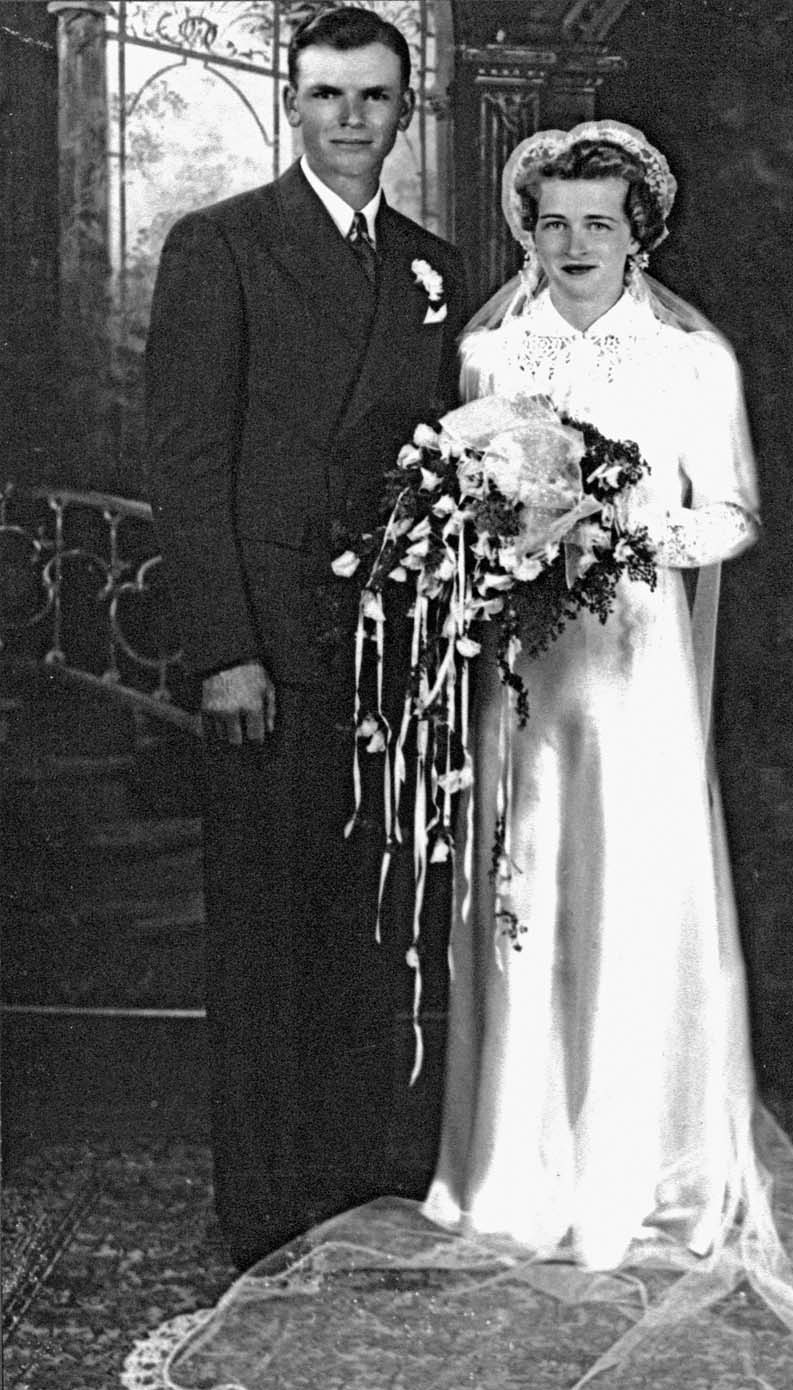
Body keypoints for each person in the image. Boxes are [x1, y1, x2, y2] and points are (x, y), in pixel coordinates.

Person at [125, 122, 793, 1390]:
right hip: (519, 675)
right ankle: (511, 1172)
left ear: (640, 234)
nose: (568, 248)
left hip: (630, 666)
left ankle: (645, 1172)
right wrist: (481, 534)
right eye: (548, 224)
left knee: (628, 888)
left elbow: (725, 510)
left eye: (595, 226)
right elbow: (445, 484)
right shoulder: (490, 354)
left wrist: (620, 528)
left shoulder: (688, 360)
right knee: (520, 888)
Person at [144, 6, 466, 1271]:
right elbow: (185, 458)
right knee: (265, 925)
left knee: (369, 920)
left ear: (403, 107)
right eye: (328, 94)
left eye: (374, 96)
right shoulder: (220, 246)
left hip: (390, 654)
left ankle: (358, 1174)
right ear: (294, 102)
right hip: (268, 650)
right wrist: (224, 647)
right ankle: (266, 1206)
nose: (350, 118)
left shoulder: (432, 265)